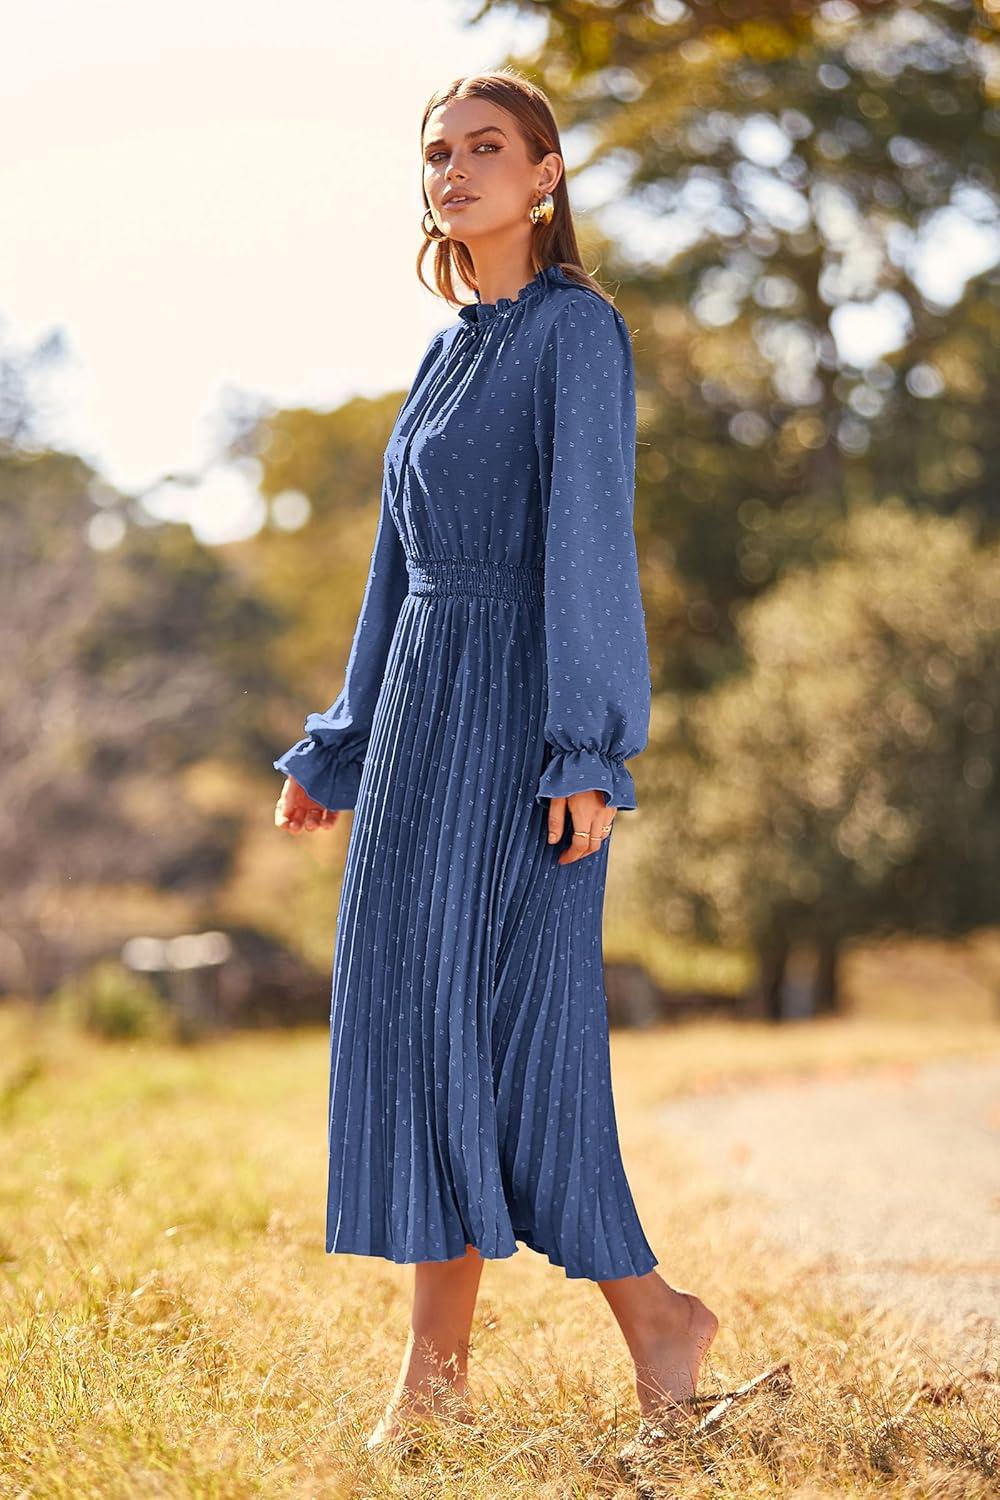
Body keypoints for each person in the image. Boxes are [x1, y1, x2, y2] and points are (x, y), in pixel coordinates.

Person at [272, 70, 720, 1454]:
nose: (454, 172)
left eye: (485, 148)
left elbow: (589, 545)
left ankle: (636, 1326)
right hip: (420, 726)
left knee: (522, 1044)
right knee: (420, 1033)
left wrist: (585, 748)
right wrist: (341, 743)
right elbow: (395, 567)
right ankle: (451, 1385)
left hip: (523, 730)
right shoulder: (447, 349)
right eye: (437, 153)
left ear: (545, 174)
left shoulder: (578, 331)